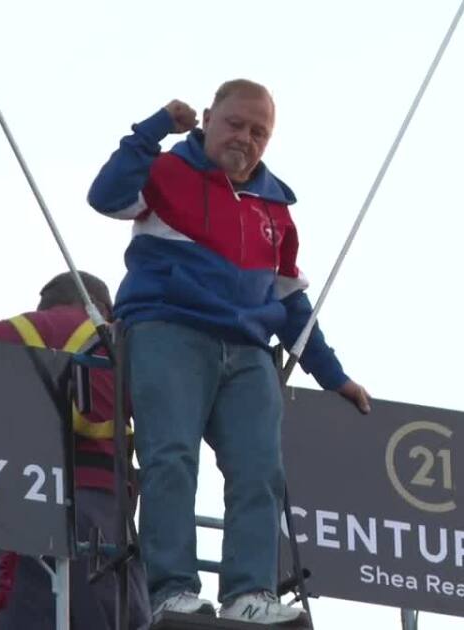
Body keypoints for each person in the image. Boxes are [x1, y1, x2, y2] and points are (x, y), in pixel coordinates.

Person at [87, 79, 371, 624]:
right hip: (168, 331)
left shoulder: (276, 209)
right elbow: (106, 198)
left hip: (247, 351)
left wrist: (334, 376)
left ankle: (249, 595)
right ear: (208, 118)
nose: (245, 138)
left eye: (259, 132)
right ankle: (171, 588)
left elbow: (291, 305)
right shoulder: (167, 171)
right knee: (170, 458)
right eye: (235, 124)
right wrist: (152, 130)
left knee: (260, 471)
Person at [0, 271, 149, 630]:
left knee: (24, 609)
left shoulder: (5, 333)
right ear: (102, 307)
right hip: (102, 506)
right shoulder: (120, 343)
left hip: (28, 496)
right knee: (121, 615)